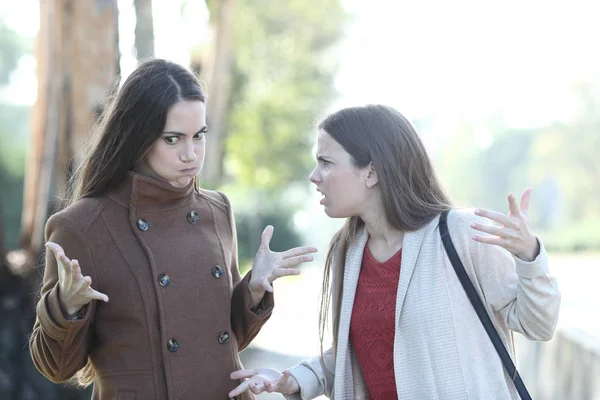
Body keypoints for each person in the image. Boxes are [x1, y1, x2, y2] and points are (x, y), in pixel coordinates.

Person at [28, 58, 317, 400]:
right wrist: (66, 305)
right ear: (138, 137)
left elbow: (223, 340)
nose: (191, 155)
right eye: (173, 139)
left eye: (199, 136)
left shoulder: (217, 211)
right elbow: (55, 367)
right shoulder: (82, 227)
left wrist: (253, 289)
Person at [227, 104, 561, 399]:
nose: (315, 177)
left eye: (326, 163)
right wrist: (292, 379)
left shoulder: (460, 233)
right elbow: (363, 352)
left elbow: (538, 325)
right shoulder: (349, 250)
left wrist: (529, 256)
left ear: (371, 171)